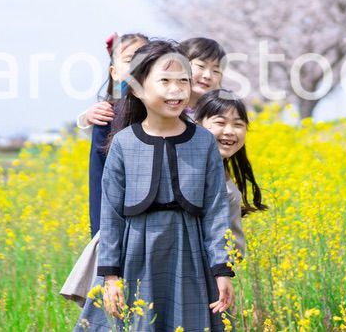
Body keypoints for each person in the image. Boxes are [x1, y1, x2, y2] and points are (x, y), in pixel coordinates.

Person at [74, 40, 235, 332]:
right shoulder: (123, 143)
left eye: (183, 81)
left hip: (189, 254)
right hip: (133, 254)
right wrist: (110, 277)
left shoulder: (204, 141)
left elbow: (215, 210)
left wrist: (222, 269)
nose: (176, 90)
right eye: (165, 81)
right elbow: (110, 214)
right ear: (136, 88)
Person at [78, 32, 149, 237]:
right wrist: (100, 237)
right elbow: (99, 183)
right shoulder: (106, 117)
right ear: (114, 72)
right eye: (129, 60)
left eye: (144, 59)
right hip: (120, 224)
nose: (137, 65)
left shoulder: (168, 114)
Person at [194, 89, 268, 261]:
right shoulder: (193, 172)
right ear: (197, 124)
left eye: (238, 125)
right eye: (221, 122)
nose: (230, 131)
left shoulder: (220, 166)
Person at [177, 37, 226, 118]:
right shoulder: (161, 104)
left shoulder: (216, 117)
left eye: (216, 71)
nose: (208, 76)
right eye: (201, 66)